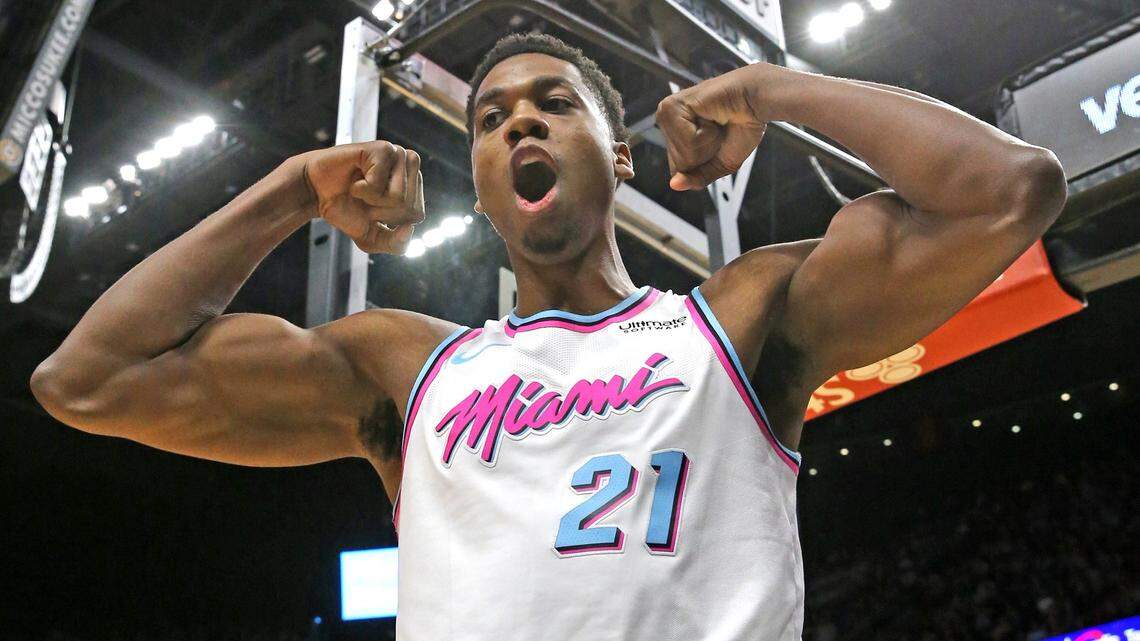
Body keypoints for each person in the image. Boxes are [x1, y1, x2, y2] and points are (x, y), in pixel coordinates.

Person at [31, 33, 1066, 640]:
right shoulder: (411, 364)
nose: (517, 125)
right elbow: (88, 378)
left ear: (615, 155)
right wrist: (291, 189)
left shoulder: (737, 318)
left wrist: (771, 92)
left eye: (551, 104)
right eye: (489, 120)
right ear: (482, 186)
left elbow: (1005, 191)